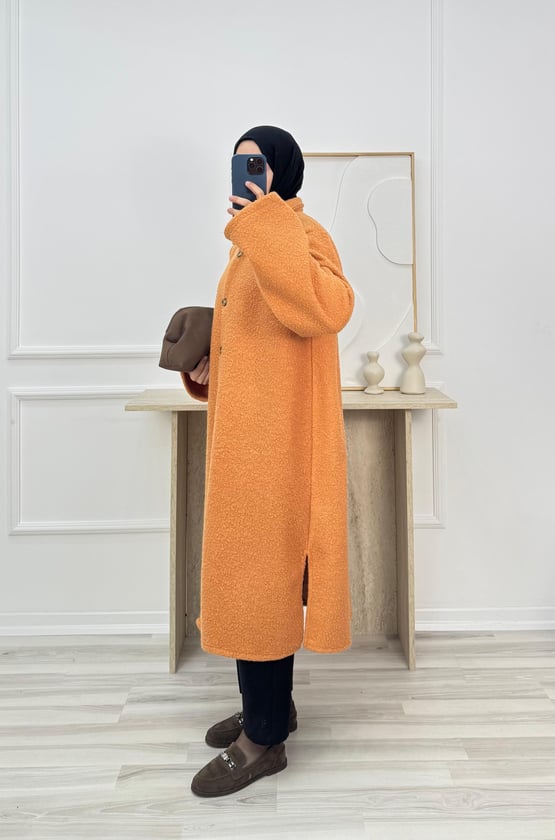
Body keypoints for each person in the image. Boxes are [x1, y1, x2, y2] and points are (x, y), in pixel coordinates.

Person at [182, 126, 354, 797]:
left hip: (279, 450)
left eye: (255, 162)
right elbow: (257, 342)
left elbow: (326, 309)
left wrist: (263, 225)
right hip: (244, 445)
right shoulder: (250, 243)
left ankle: (264, 741)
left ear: (282, 170)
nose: (245, 171)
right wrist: (207, 364)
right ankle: (270, 709)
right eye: (237, 162)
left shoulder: (301, 234)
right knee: (246, 583)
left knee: (261, 585)